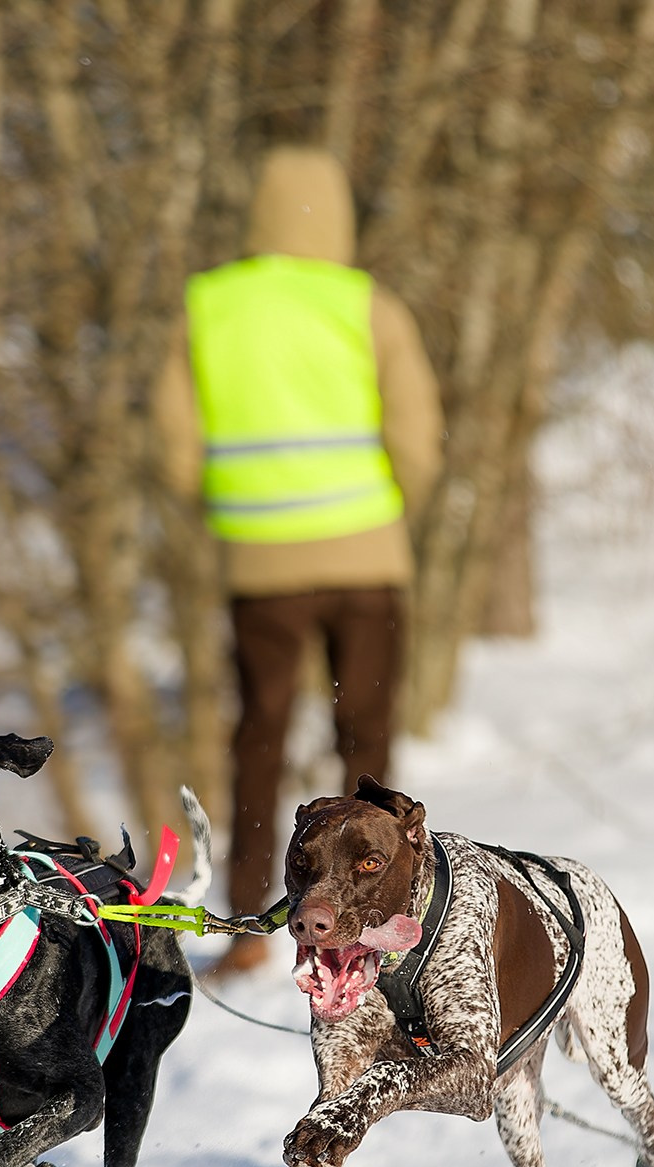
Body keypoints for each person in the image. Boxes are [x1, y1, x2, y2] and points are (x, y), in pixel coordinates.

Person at [154, 147, 443, 976]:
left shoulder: (209, 307)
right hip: (368, 558)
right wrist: (389, 509)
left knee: (260, 741)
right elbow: (419, 440)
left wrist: (231, 510)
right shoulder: (368, 305)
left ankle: (251, 923)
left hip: (261, 569)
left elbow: (174, 445)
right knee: (369, 750)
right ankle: (384, 920)